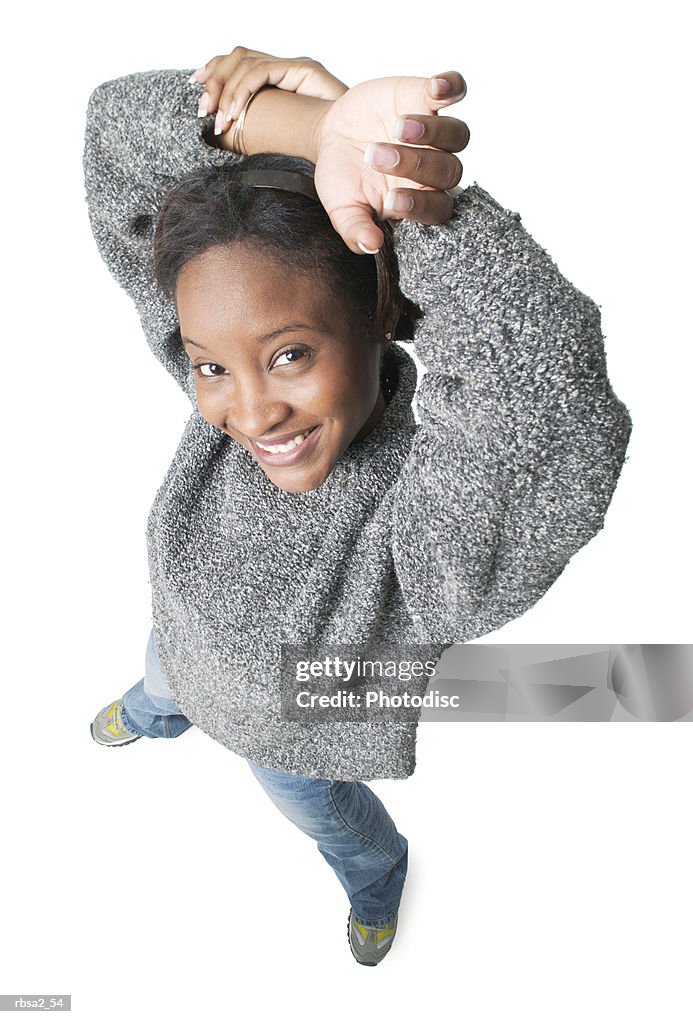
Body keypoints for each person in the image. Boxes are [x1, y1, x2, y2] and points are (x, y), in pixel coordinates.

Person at [84, 47, 632, 967]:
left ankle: (377, 880)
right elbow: (114, 134)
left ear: (381, 308)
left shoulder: (430, 518)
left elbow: (544, 383)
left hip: (290, 727)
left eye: (290, 353)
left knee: (329, 821)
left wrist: (389, 187)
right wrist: (318, 132)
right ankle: (157, 711)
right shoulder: (219, 397)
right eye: (211, 364)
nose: (247, 412)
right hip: (180, 641)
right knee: (164, 678)